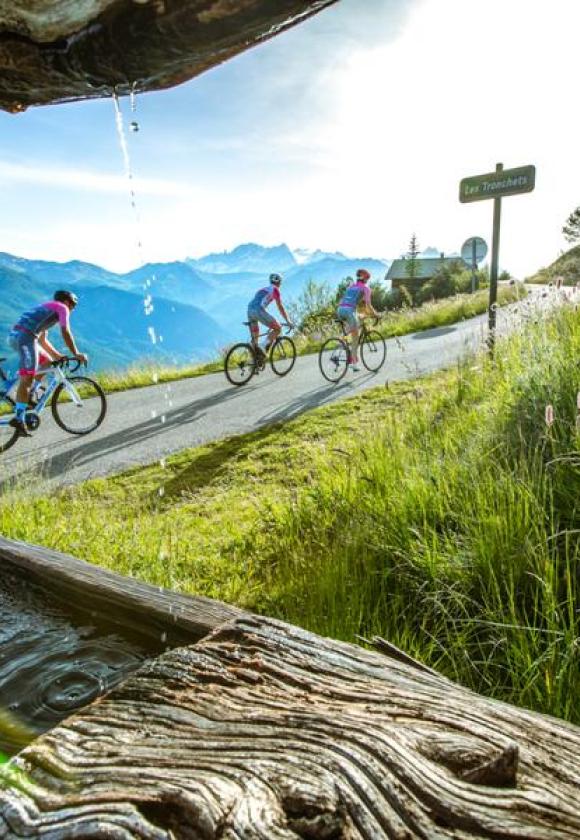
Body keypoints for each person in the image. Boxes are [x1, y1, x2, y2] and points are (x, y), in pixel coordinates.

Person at [7, 290, 88, 436]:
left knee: (49, 362)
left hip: (20, 337)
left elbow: (43, 340)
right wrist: (76, 353)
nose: (73, 309)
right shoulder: (62, 308)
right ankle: (19, 418)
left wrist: (57, 356)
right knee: (27, 378)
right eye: (73, 305)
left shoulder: (47, 309)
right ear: (67, 302)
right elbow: (66, 331)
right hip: (25, 338)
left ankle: (30, 395)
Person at [336, 268, 380, 371]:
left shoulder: (351, 287)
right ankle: (354, 364)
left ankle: (339, 346)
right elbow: (368, 305)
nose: (367, 281)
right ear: (365, 279)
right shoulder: (366, 289)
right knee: (355, 337)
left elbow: (346, 302)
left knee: (349, 330)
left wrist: (359, 314)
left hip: (340, 310)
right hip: (349, 311)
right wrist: (376, 314)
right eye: (367, 279)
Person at [247, 273, 292, 361]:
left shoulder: (262, 290)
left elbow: (259, 303)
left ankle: (255, 361)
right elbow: (280, 307)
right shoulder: (275, 290)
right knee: (278, 328)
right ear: (279, 282)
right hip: (258, 311)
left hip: (249, 311)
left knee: (255, 339)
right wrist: (288, 320)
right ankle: (263, 346)